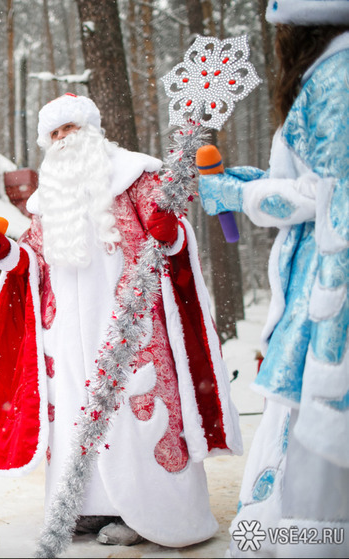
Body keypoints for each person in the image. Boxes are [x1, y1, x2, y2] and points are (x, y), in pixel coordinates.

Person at [0, 93, 242, 547]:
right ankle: (86, 507)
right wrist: (6, 255)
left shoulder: (136, 176)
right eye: (55, 134)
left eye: (71, 129)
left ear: (92, 130)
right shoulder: (48, 202)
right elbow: (34, 260)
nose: (63, 140)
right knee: (74, 423)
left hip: (131, 329)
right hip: (66, 339)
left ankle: (149, 514)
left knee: (135, 418)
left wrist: (173, 234)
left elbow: (173, 236)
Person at [197, 2, 349, 556]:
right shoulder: (329, 73)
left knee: (317, 477)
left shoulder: (339, 76)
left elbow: (332, 198)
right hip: (313, 291)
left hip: (329, 304)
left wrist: (242, 196)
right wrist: (257, 184)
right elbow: (315, 182)